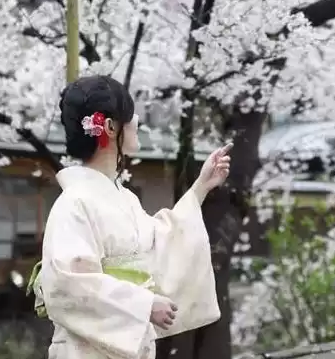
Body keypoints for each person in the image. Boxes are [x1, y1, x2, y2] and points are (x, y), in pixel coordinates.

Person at [30, 75, 230, 359]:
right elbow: (67, 284)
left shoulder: (125, 199)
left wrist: (201, 187)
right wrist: (143, 304)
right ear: (110, 128)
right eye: (130, 116)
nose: (136, 121)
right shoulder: (74, 203)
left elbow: (160, 240)